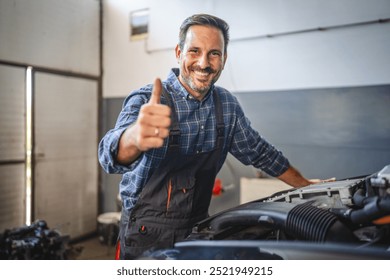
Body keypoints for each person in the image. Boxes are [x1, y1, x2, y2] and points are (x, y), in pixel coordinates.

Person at [98, 13, 330, 259]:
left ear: (224, 59)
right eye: (194, 51)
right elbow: (107, 156)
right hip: (144, 237)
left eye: (214, 53)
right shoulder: (145, 100)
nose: (204, 63)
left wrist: (305, 185)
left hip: (197, 231)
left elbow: (260, 153)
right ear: (179, 53)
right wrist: (133, 137)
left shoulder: (226, 106)